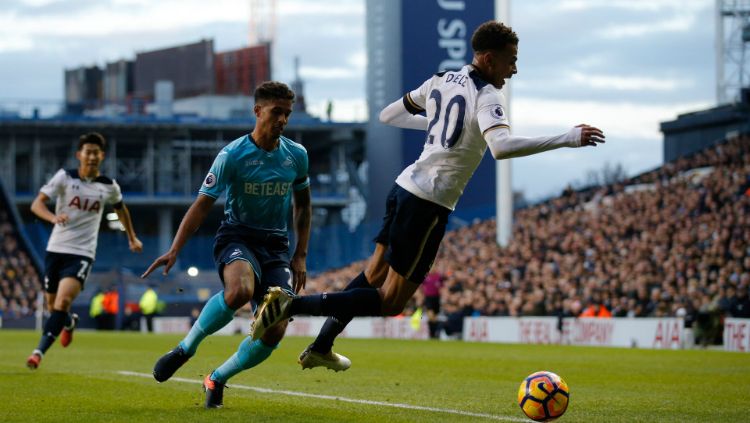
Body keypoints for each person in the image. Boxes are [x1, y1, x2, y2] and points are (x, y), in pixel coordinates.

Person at [251, 20, 606, 370]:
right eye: (509, 59)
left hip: (404, 187)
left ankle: (322, 345)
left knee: (372, 275)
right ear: (486, 58)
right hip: (428, 202)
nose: (514, 69)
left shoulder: (440, 80)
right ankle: (288, 307)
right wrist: (567, 138)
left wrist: (437, 122)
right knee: (390, 302)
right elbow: (501, 147)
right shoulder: (486, 95)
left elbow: (388, 115)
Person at [141, 81, 311, 408]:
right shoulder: (232, 155)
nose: (283, 120)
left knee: (273, 331)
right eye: (277, 112)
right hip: (237, 235)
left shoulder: (297, 155)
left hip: (276, 246)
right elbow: (202, 204)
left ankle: (216, 378)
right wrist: (175, 248)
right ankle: (186, 348)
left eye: (287, 114)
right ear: (257, 111)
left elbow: (303, 205)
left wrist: (300, 254)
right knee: (240, 291)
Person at [25, 132, 143, 369]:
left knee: (63, 300)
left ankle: (38, 353)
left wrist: (132, 237)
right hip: (56, 249)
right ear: (79, 155)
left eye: (96, 152)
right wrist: (53, 217)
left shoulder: (109, 186)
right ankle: (68, 323)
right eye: (87, 152)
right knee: (53, 307)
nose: (91, 156)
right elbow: (36, 204)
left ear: (102, 156)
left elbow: (122, 210)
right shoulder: (65, 177)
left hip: (82, 252)